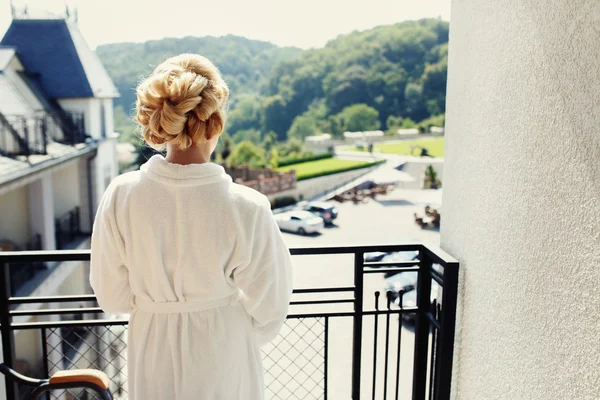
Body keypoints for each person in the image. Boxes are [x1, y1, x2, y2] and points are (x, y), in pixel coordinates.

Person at [90, 54, 293, 400]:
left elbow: (111, 295)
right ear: (215, 121)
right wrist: (228, 323)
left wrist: (157, 305)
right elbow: (271, 306)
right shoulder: (247, 206)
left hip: (151, 348)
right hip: (225, 352)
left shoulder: (121, 196)